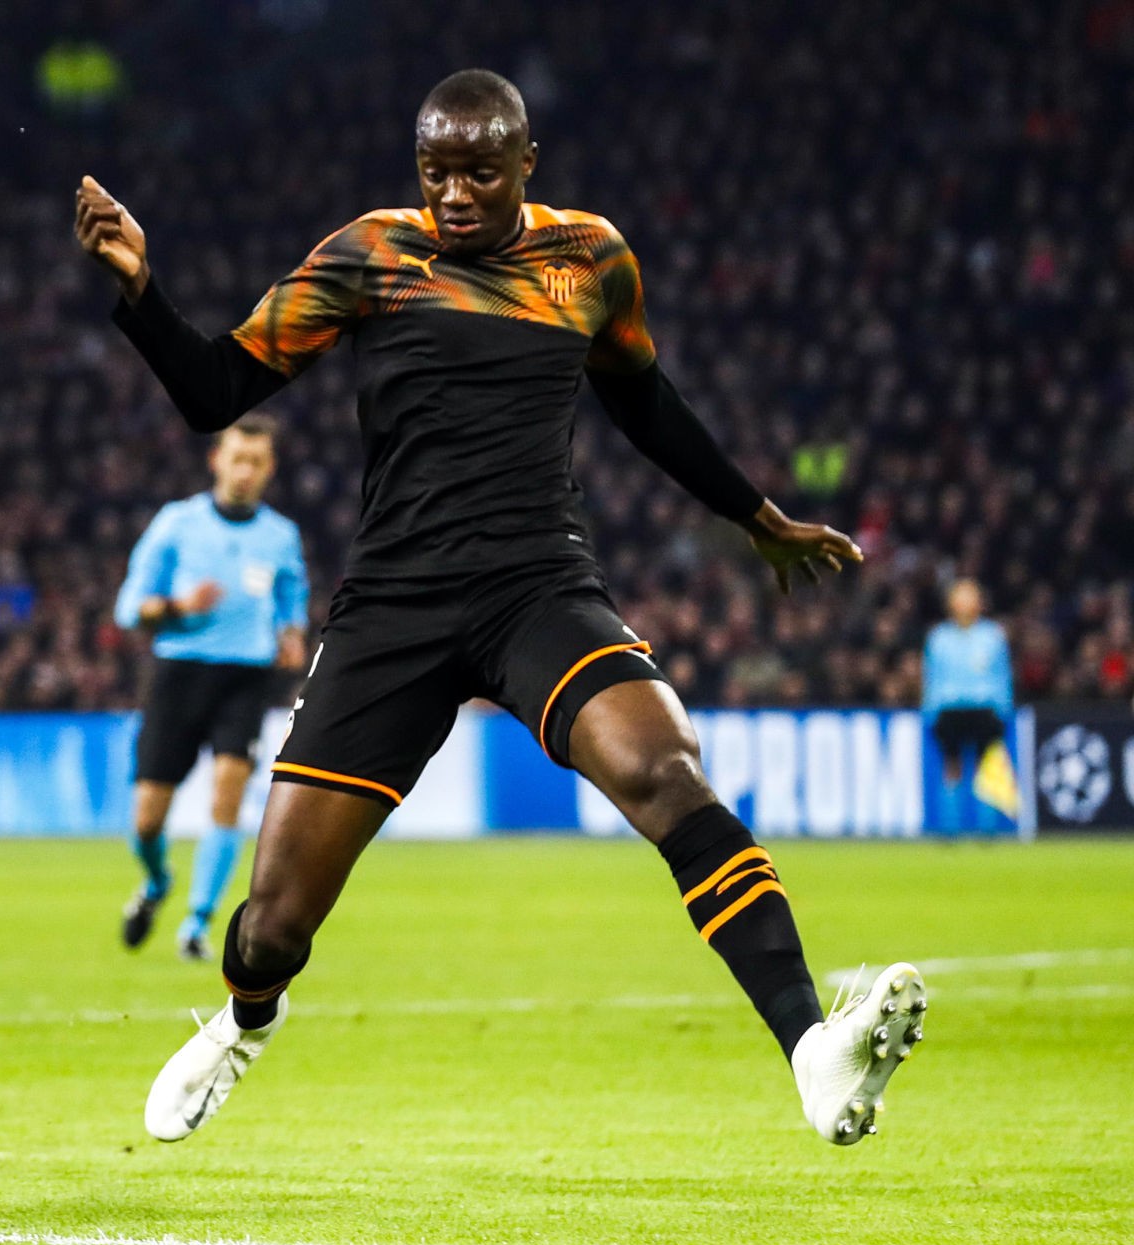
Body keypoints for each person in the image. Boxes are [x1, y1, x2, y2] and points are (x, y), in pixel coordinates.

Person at [75, 70, 928, 1147]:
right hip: (391, 606)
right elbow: (215, 391)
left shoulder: (589, 258)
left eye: (479, 170)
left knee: (664, 769)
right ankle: (244, 1021)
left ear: (526, 165)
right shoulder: (368, 255)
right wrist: (141, 293)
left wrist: (754, 514)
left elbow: (644, 402)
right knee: (272, 923)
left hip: (538, 588)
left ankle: (811, 1047)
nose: (454, 193)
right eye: (435, 170)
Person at [113, 415, 309, 961]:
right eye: (236, 459)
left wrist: (291, 633)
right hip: (178, 674)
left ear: (269, 469)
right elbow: (130, 609)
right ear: (216, 461)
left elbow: (293, 594)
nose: (245, 471)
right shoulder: (177, 525)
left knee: (228, 791)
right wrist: (179, 607)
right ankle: (156, 884)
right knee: (148, 818)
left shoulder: (280, 536)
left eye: (256, 462)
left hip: (245, 679)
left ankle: (197, 923)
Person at [922, 578, 1014, 834]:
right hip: (949, 709)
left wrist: (1003, 710)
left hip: (984, 708)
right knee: (952, 767)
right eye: (960, 597)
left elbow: (1002, 676)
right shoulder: (939, 638)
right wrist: (930, 712)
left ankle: (987, 829)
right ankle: (949, 829)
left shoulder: (992, 636)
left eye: (970, 597)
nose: (965, 603)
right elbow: (932, 678)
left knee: (987, 769)